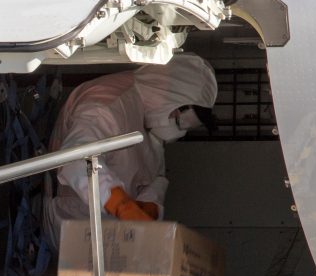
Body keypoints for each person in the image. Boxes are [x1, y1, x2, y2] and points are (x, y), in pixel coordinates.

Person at [43, 54, 217, 249]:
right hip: (75, 220)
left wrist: (149, 204)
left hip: (115, 233)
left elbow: (153, 172)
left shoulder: (149, 117)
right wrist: (121, 205)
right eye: (179, 121)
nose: (180, 132)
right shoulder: (105, 104)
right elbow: (76, 160)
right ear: (173, 98)